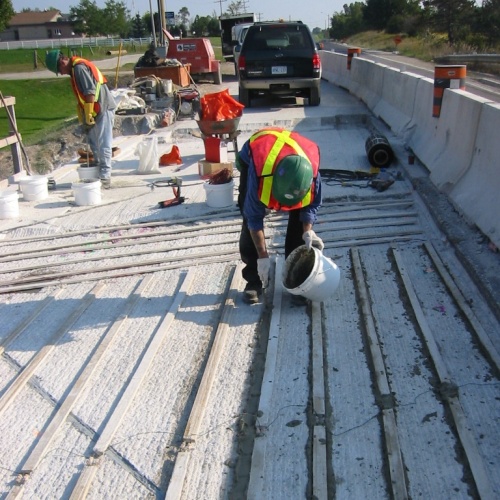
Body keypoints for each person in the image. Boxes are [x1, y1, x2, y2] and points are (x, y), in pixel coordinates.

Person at [237, 127, 324, 304]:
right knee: (248, 219)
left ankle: (296, 279)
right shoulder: (260, 172)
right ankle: (253, 280)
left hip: (292, 153)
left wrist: (308, 232)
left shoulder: (312, 173)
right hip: (255, 154)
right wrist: (262, 257)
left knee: (298, 229)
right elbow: (254, 219)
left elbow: (311, 206)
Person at [45, 50, 116, 188]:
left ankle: (105, 177)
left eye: (60, 70)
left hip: (103, 107)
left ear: (62, 62)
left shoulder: (78, 68)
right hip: (96, 108)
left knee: (103, 143)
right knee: (94, 142)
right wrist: (84, 111)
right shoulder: (73, 69)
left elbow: (90, 90)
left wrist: (89, 112)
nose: (62, 73)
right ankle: (95, 171)